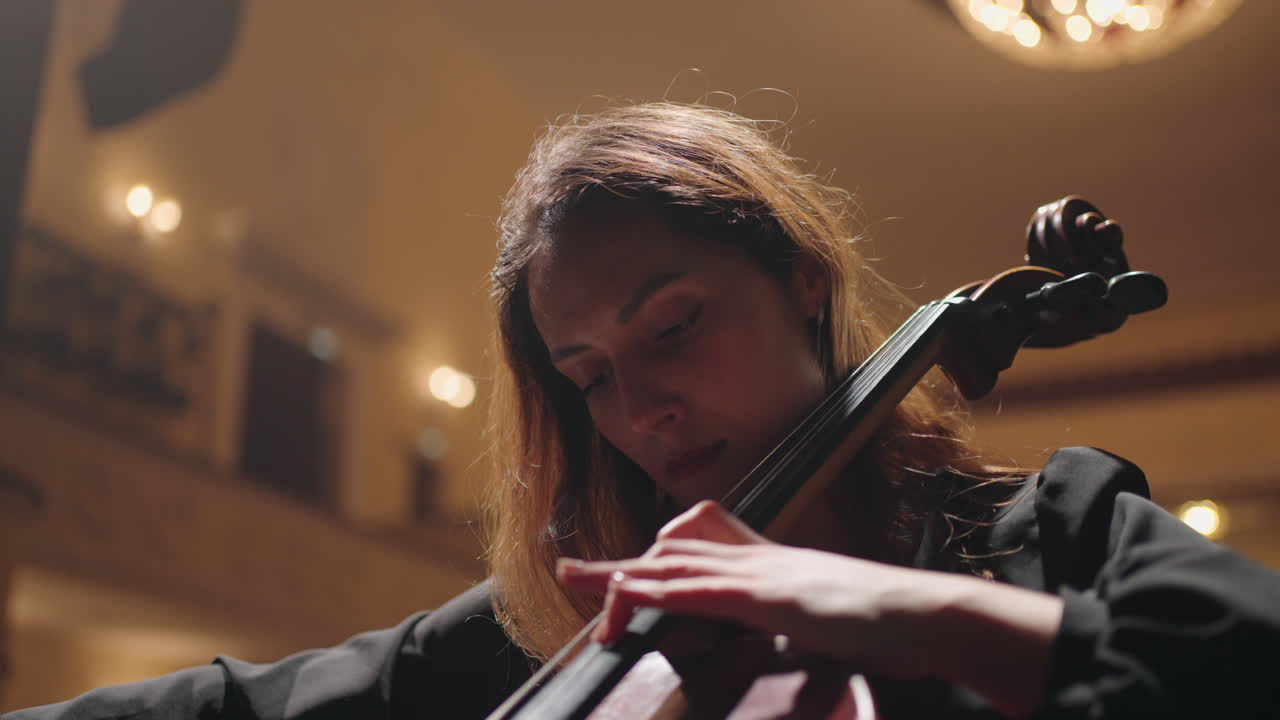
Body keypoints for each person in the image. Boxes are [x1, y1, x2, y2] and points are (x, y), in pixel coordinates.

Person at [7, 102, 1280, 720]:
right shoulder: (591, 615)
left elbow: (1244, 654)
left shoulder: (1042, 531)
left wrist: (903, 609)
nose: (645, 406)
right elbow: (241, 710)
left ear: (798, 282)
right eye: (590, 376)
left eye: (671, 328)